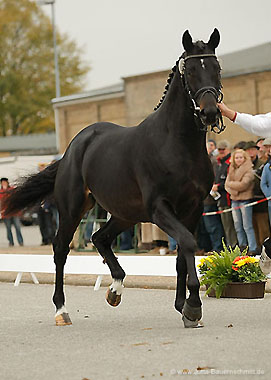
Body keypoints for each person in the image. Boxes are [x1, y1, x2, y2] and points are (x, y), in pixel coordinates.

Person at [218, 102, 271, 271]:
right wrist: (229, 113)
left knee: (246, 225)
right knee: (240, 225)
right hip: (237, 199)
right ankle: (268, 250)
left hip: (247, 199)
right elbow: (260, 123)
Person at [225, 149, 257, 254]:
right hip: (234, 200)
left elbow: (244, 184)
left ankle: (252, 247)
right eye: (237, 157)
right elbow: (226, 184)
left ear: (244, 158)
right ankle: (242, 246)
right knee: (237, 226)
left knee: (247, 225)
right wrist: (234, 188)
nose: (239, 160)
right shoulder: (231, 169)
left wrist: (232, 185)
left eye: (241, 157)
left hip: (245, 200)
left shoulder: (249, 169)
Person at [244, 141, 270, 246]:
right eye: (248, 150)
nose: (251, 152)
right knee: (252, 226)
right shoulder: (244, 164)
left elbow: (264, 182)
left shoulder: (262, 164)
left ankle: (264, 249)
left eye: (253, 149)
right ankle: (256, 249)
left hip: (261, 199)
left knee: (263, 227)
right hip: (248, 198)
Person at [212, 140, 237, 247]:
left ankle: (233, 246)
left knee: (231, 225)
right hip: (220, 199)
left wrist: (218, 186)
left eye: (223, 149)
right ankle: (229, 245)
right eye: (220, 149)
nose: (221, 151)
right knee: (225, 225)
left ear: (228, 149)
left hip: (228, 198)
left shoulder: (229, 163)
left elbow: (229, 180)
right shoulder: (219, 163)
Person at [0, 177, 24, 247]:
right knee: (8, 228)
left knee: (17, 227)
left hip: (14, 212)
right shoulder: (1, 192)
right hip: (6, 213)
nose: (4, 183)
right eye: (2, 182)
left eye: (5, 182)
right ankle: (11, 242)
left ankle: (20, 241)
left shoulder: (12, 190)